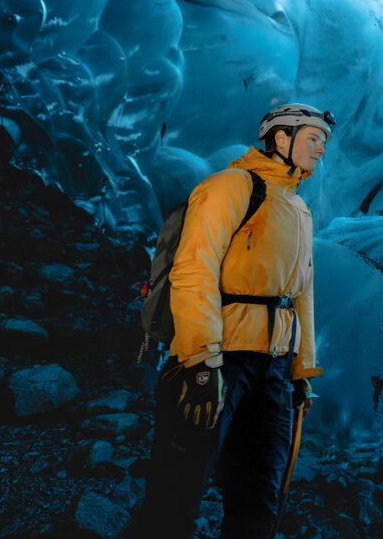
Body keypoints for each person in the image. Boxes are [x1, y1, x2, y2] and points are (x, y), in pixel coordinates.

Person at [131, 103, 334, 538]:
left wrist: (300, 371)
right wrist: (201, 361)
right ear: (282, 138)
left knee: (258, 500)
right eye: (313, 138)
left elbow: (302, 293)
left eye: (324, 142)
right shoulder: (230, 185)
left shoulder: (297, 208)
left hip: (275, 371)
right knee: (176, 492)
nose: (321, 149)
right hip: (221, 358)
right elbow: (194, 268)